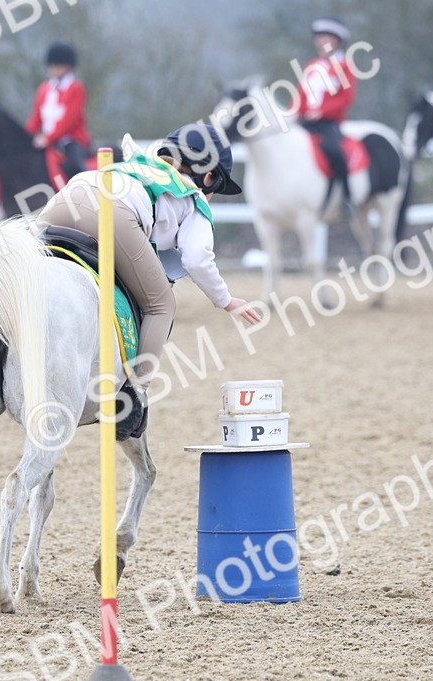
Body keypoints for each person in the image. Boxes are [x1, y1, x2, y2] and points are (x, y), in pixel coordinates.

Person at [35, 123, 264, 439]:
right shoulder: (196, 199)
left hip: (70, 194)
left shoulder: (141, 162)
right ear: (208, 177)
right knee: (161, 304)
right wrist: (225, 300)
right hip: (112, 213)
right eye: (216, 188)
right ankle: (133, 396)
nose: (212, 196)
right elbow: (197, 259)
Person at [295, 17, 357, 211]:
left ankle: (347, 196)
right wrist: (294, 111)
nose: (320, 41)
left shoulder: (345, 66)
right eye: (319, 37)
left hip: (329, 123)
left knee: (333, 150)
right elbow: (301, 93)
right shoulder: (311, 65)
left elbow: (346, 99)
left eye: (325, 37)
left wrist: (320, 112)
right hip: (305, 121)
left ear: (337, 41)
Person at [26, 41, 91, 187]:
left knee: (75, 166)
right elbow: (36, 118)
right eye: (52, 65)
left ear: (68, 67)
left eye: (58, 65)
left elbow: (69, 120)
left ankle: (85, 192)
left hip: (70, 140)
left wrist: (47, 138)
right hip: (47, 141)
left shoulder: (76, 88)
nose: (54, 68)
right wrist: (26, 136)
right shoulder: (44, 89)